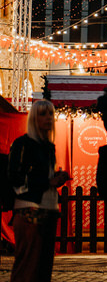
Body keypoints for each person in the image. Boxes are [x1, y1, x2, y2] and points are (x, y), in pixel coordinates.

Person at [7, 99, 70, 282]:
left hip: (48, 207)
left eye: (50, 113)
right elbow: (15, 177)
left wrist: (55, 180)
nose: (48, 118)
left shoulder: (48, 146)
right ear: (34, 118)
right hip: (30, 208)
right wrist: (48, 182)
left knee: (44, 264)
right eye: (43, 114)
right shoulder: (23, 144)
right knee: (28, 264)